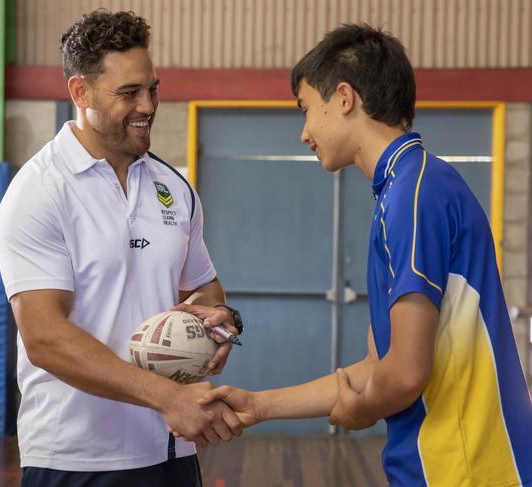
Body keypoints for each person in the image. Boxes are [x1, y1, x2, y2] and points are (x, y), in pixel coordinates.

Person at [198, 24, 532, 486]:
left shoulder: (416, 192)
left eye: (306, 110)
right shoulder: (402, 190)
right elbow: (379, 366)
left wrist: (361, 409)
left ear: (343, 97)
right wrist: (260, 406)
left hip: (465, 469)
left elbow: (403, 374)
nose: (304, 133)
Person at [0, 10, 243, 487]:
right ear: (80, 93)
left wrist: (222, 322)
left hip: (171, 448)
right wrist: (166, 397)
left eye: (152, 88)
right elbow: (44, 338)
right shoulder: (40, 191)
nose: (147, 105)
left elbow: (206, 290)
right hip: (73, 458)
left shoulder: (175, 188)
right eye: (129, 93)